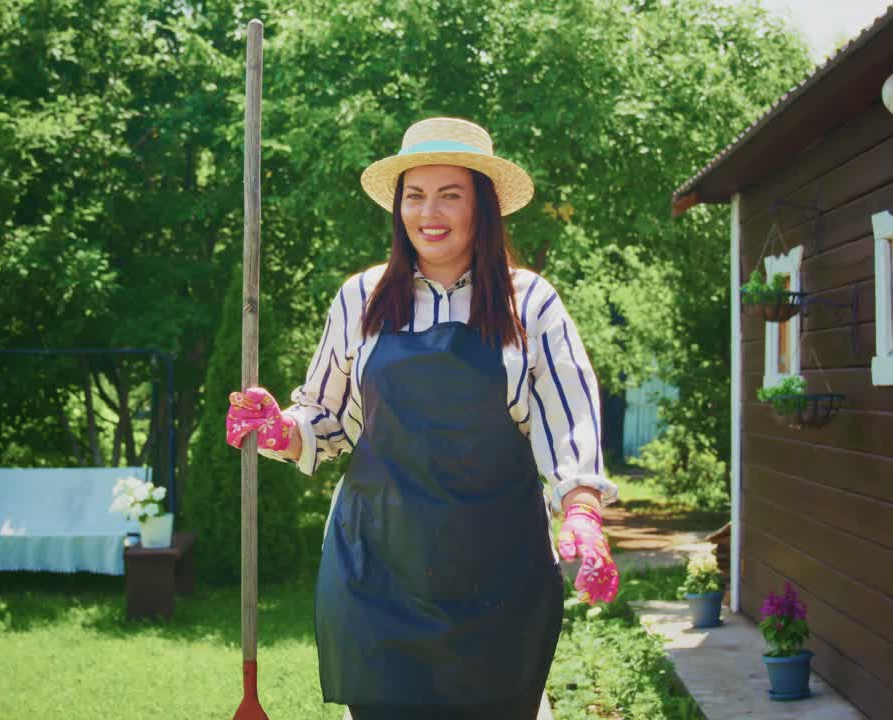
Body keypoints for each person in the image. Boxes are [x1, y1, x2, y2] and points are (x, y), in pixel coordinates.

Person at [225, 117, 620, 720]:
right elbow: (328, 420)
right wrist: (281, 428)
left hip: (499, 577)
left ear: (482, 208)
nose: (428, 213)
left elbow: (568, 418)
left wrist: (584, 511)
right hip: (376, 573)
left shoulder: (530, 303)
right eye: (414, 195)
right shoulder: (360, 297)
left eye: (450, 195)